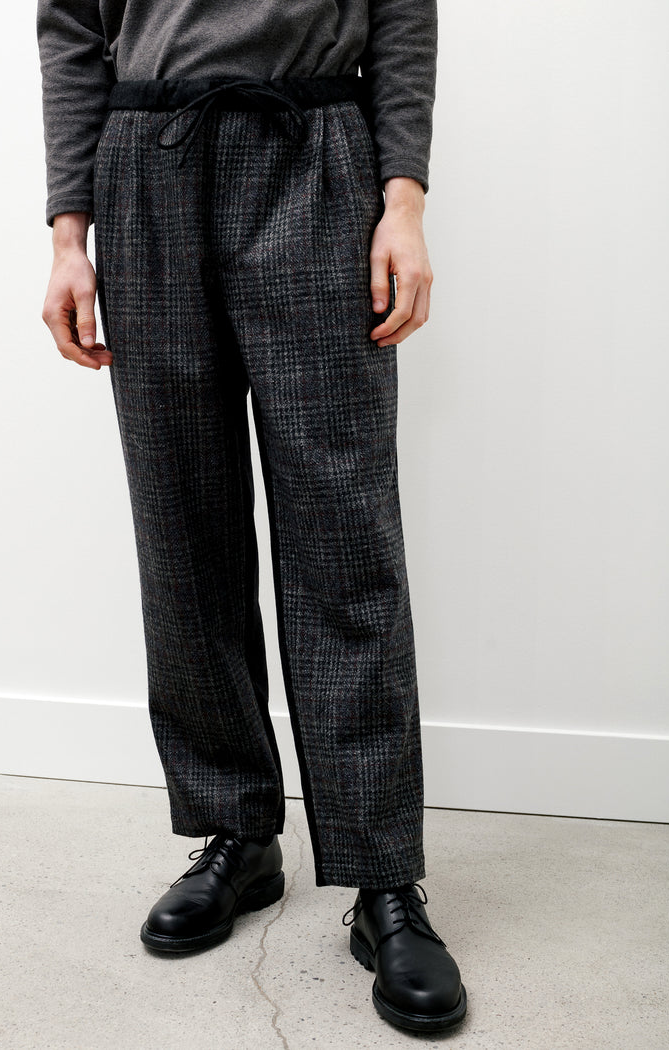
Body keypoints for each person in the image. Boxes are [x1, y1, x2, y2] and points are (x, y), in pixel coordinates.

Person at [37, 0, 466, 1034]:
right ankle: (236, 830)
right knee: (183, 527)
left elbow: (401, 17)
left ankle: (383, 876)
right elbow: (71, 29)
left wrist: (402, 201)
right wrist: (67, 232)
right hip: (145, 162)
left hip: (313, 149)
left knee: (344, 538)